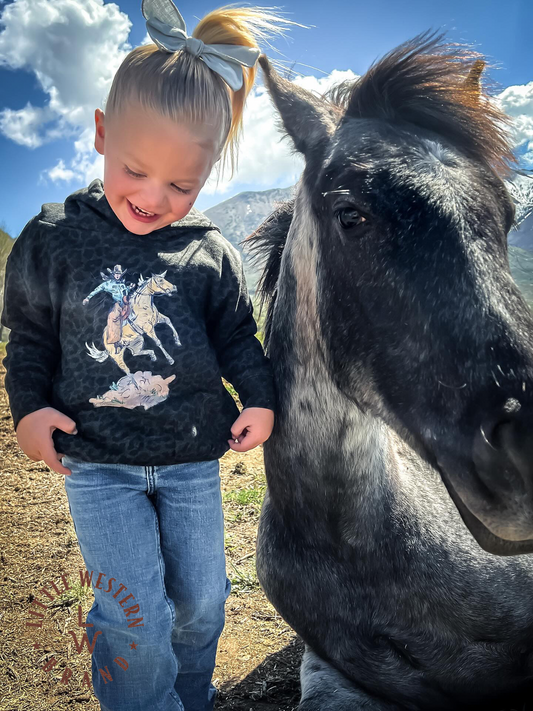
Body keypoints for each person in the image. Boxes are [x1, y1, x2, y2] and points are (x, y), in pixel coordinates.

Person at [1, 1, 291, 708]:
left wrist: (256, 395)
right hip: (98, 463)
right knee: (131, 614)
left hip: (193, 460)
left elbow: (234, 337)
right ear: (101, 134)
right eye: (135, 169)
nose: (153, 197)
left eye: (181, 184)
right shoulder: (54, 237)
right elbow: (30, 337)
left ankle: (188, 695)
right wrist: (29, 408)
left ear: (208, 173)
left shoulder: (206, 252)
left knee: (203, 600)